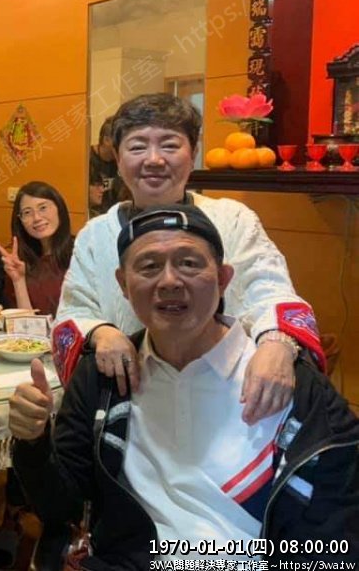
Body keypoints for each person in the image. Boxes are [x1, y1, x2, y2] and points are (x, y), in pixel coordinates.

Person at [10, 205, 359, 567]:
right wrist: (33, 442)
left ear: (223, 279)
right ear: (123, 285)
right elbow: (61, 506)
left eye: (189, 263)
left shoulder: (288, 379)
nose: (169, 281)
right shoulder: (105, 379)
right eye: (149, 267)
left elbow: (338, 531)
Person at [55, 93, 324, 424]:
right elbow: (74, 312)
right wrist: (100, 333)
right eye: (137, 147)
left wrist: (277, 343)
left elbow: (271, 292)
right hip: (133, 406)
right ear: (118, 158)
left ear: (193, 152)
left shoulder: (233, 219)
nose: (154, 159)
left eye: (170, 145)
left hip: (231, 403)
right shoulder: (96, 234)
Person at [0, 181, 74, 315]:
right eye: (27, 212)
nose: (36, 218)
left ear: (59, 208)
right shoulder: (19, 262)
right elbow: (26, 322)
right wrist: (18, 281)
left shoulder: (80, 252)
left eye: (43, 208)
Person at [88, 118, 123, 217]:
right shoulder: (86, 159)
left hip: (114, 215)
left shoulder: (121, 161)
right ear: (106, 140)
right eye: (119, 141)